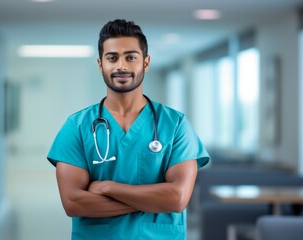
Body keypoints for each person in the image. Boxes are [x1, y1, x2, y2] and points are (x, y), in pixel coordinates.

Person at [47, 19, 210, 240]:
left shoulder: (176, 125)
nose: (121, 66)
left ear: (146, 62)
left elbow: (177, 199)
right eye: (112, 58)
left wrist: (108, 188)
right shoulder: (76, 126)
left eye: (131, 57)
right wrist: (152, 200)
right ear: (100, 64)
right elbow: (73, 202)